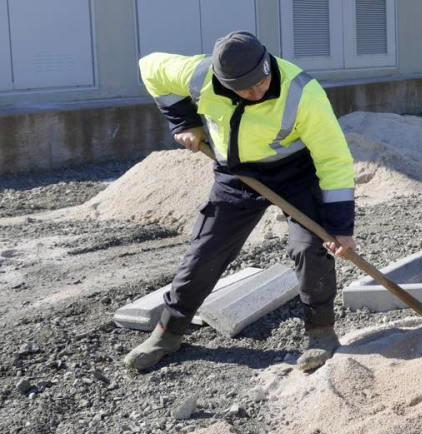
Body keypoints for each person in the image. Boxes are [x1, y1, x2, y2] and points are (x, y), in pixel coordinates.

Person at [125, 31, 356, 373]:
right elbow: (150, 68)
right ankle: (168, 332)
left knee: (309, 247)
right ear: (222, 82)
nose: (257, 91)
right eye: (245, 89)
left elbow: (334, 160)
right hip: (236, 175)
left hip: (295, 173)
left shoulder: (302, 92)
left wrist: (340, 228)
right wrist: (184, 121)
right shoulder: (200, 75)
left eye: (261, 82)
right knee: (205, 251)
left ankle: (321, 332)